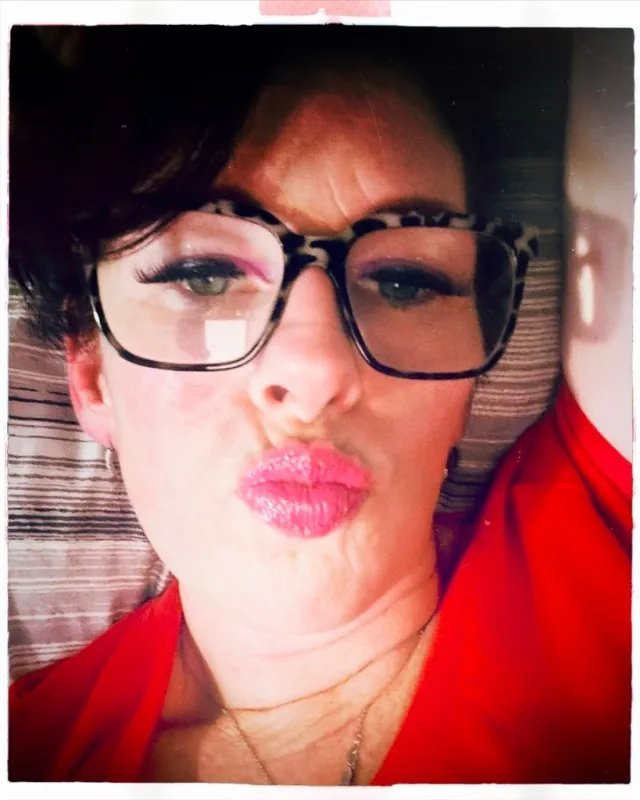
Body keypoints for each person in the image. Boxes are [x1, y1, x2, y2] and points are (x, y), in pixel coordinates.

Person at [8, 26, 631, 784]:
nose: (316, 371)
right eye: (205, 275)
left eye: (406, 281)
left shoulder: (611, 546)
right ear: (90, 375)